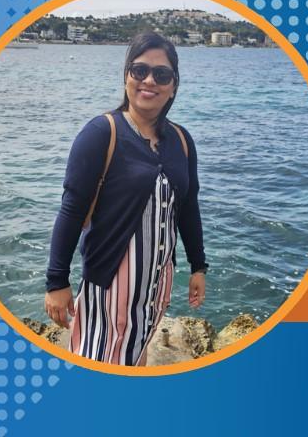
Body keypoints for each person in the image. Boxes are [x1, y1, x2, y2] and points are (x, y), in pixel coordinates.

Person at [43, 32, 208, 366]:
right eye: (139, 70)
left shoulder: (181, 140)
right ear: (126, 77)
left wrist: (198, 265)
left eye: (161, 75)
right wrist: (57, 282)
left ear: (174, 85)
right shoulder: (102, 133)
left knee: (135, 353)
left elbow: (188, 208)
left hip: (157, 283)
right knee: (98, 359)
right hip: (109, 285)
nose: (149, 80)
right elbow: (72, 210)